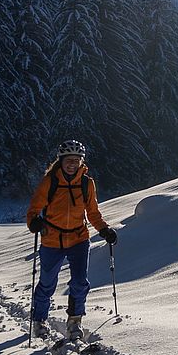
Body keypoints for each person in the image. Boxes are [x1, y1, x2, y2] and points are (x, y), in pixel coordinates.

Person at [26, 140, 117, 342]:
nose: (72, 164)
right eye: (68, 160)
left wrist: (104, 229)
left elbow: (92, 212)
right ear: (61, 161)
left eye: (76, 160)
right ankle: (39, 321)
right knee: (47, 283)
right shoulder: (50, 181)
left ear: (81, 162)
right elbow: (34, 208)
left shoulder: (86, 183)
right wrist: (33, 221)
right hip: (52, 240)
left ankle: (74, 323)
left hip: (79, 239)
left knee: (80, 282)